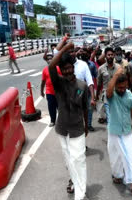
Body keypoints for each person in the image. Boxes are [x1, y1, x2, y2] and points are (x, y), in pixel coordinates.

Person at [49, 42, 89, 200]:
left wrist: (86, 126)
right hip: (62, 129)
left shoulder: (82, 85)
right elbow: (52, 66)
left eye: (69, 68)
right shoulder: (58, 83)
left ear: (73, 67)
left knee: (79, 160)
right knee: (69, 161)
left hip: (78, 128)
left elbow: (86, 108)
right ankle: (74, 181)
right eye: (64, 69)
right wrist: (64, 49)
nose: (67, 71)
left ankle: (80, 193)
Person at [106, 67, 132, 196]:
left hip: (126, 131)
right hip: (113, 131)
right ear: (115, 86)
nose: (121, 90)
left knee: (130, 156)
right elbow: (109, 92)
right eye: (119, 87)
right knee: (114, 156)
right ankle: (117, 175)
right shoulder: (111, 94)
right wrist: (115, 76)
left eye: (124, 87)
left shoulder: (130, 94)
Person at [96, 47, 120, 125]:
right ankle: (111, 131)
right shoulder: (101, 68)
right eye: (108, 55)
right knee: (109, 116)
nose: (110, 56)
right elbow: (99, 84)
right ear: (105, 56)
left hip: (117, 94)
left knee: (117, 114)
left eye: (112, 55)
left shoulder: (119, 67)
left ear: (114, 56)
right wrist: (97, 96)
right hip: (106, 95)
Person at [40, 53, 61, 127]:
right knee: (51, 107)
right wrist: (41, 91)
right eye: (48, 59)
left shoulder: (58, 68)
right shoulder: (45, 70)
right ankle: (52, 121)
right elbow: (43, 82)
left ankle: (61, 120)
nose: (49, 60)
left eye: (51, 58)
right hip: (49, 92)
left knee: (60, 107)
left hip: (59, 92)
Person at [80, 49, 98, 132]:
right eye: (83, 53)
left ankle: (89, 125)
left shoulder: (92, 65)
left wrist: (96, 90)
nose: (85, 55)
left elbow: (95, 76)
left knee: (89, 108)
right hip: (79, 90)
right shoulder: (78, 64)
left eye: (86, 53)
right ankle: (80, 124)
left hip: (89, 90)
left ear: (89, 54)